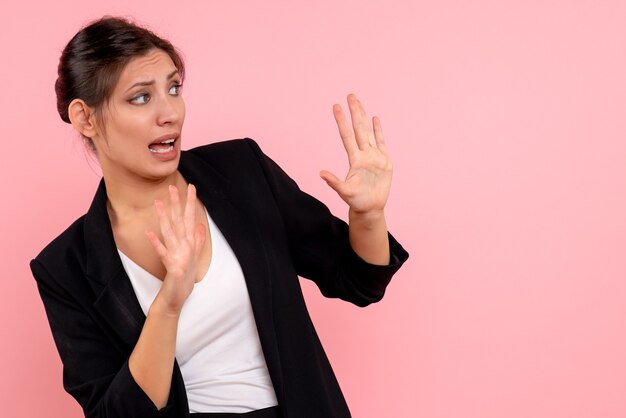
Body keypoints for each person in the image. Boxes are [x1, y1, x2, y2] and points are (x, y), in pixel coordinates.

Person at [30, 16, 409, 418]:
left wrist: (368, 214)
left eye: (173, 89)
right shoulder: (64, 268)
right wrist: (169, 303)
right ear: (84, 118)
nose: (170, 114)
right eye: (141, 97)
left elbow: (358, 282)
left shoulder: (242, 172)